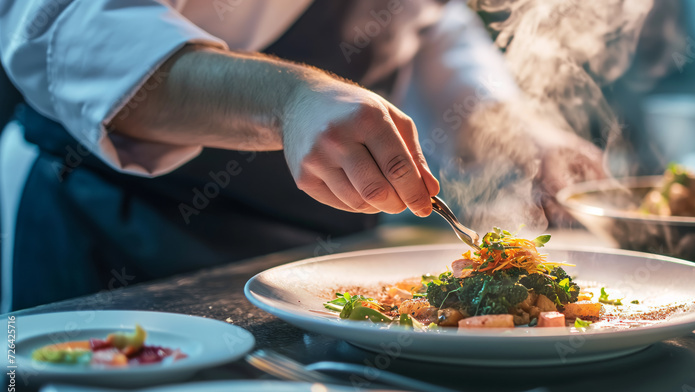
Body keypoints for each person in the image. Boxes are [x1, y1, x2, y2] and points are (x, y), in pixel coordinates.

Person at [0, 0, 605, 311]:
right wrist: (288, 101)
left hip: (315, 259)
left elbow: (431, 25)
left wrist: (523, 133)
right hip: (114, 226)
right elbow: (62, 26)